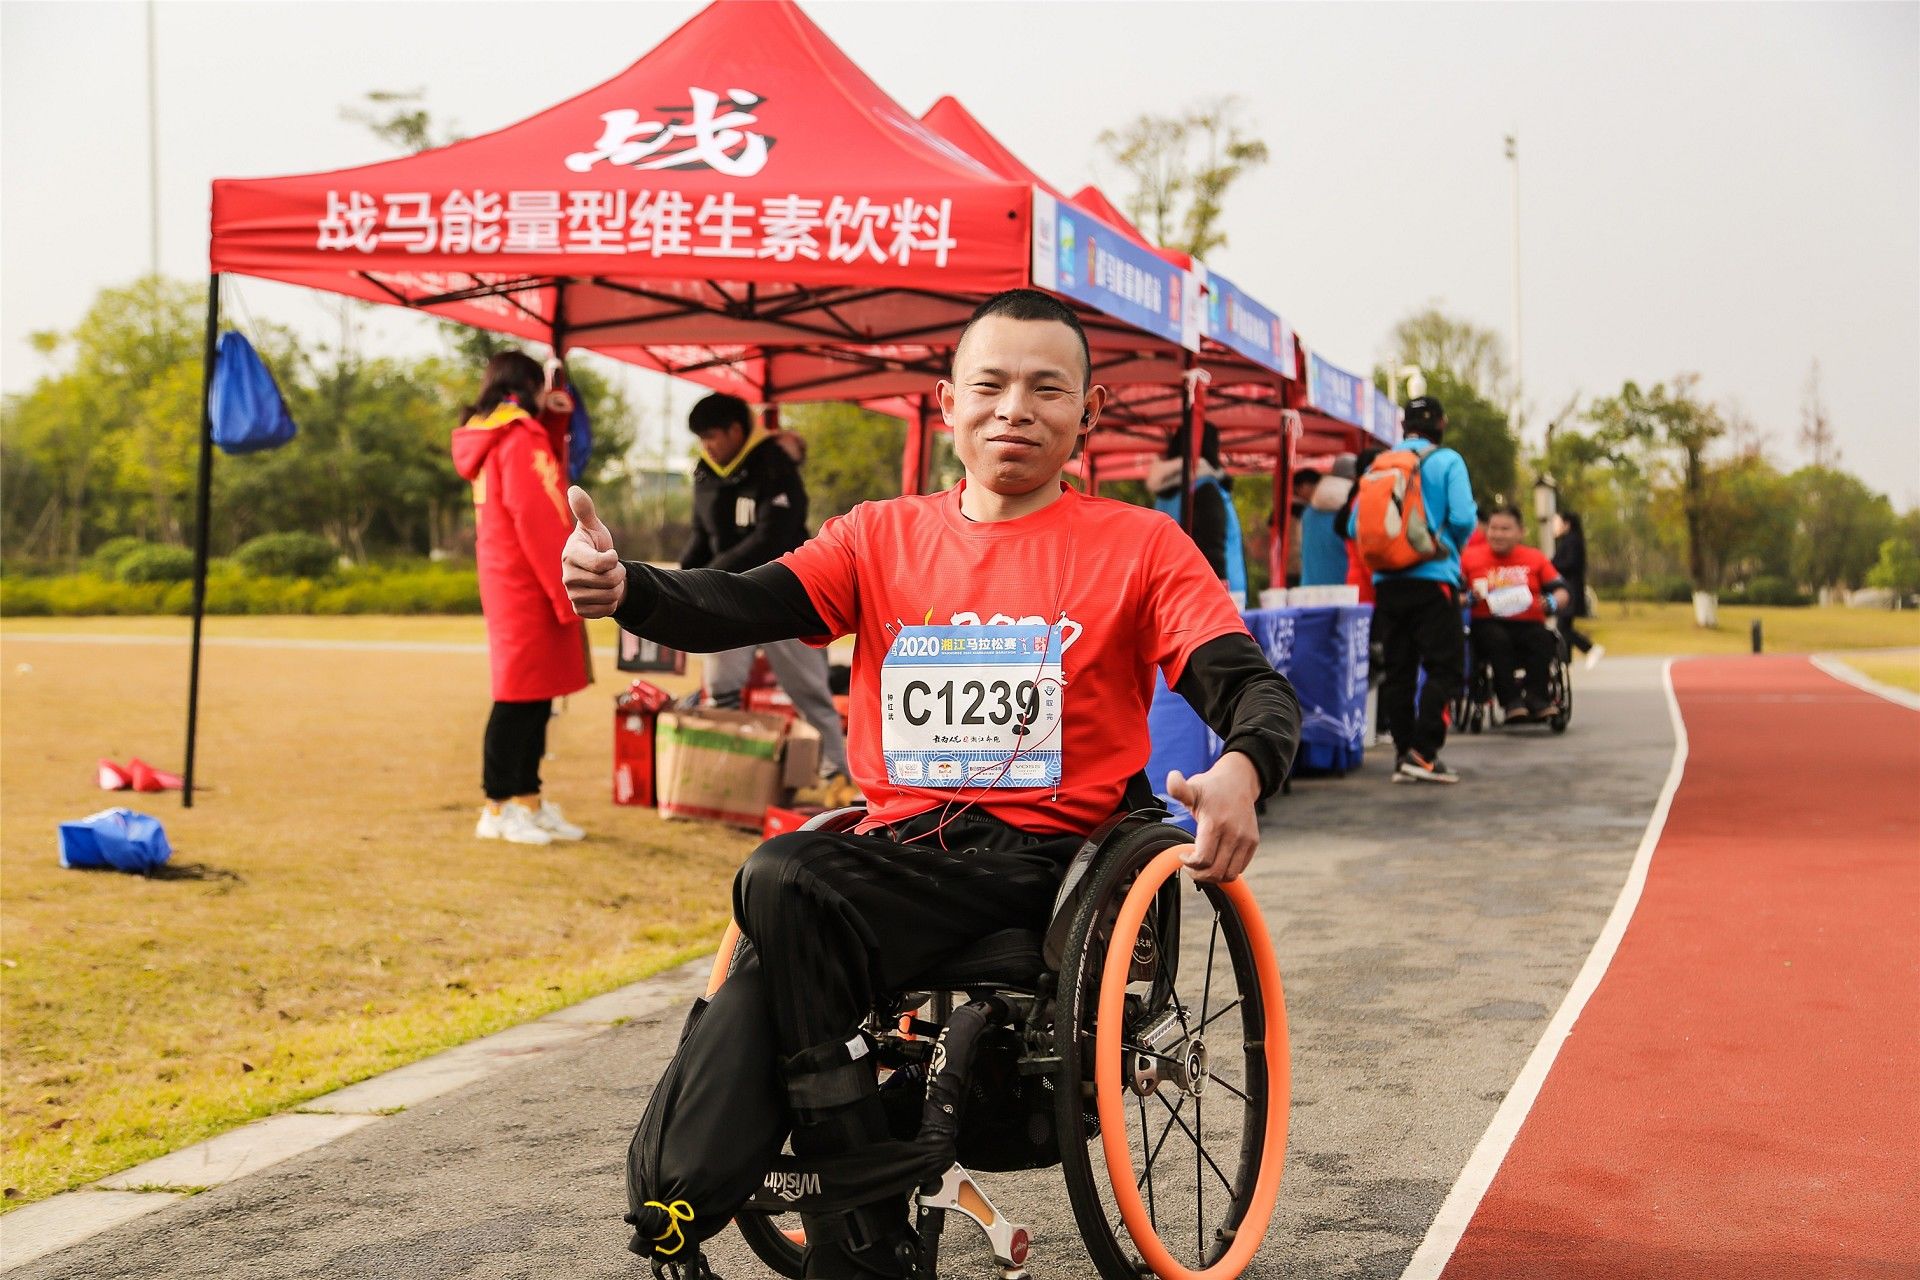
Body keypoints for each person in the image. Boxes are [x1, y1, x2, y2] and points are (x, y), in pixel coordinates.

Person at [563, 288, 1301, 1279]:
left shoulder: (1139, 547)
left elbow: (1249, 686)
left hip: (1049, 865)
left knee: (784, 881)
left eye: (1047, 388)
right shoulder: (878, 536)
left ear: (1089, 412)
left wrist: (1240, 767)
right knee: (786, 897)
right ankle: (791, 1213)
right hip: (895, 855)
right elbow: (743, 599)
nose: (1013, 409)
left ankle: (747, 1210)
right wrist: (631, 590)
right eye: (988, 385)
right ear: (945, 403)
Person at [452, 350, 591, 845]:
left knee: (536, 692)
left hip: (513, 574)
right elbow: (537, 516)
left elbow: (545, 475)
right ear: (529, 386)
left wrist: (553, 418)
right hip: (526, 577)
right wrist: (564, 585)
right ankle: (497, 804)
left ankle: (526, 799)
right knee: (518, 694)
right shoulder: (515, 435)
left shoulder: (503, 432)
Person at [680, 392, 851, 789]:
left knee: (809, 690)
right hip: (728, 597)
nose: (707, 447)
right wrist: (684, 578)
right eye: (701, 439)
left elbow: (772, 536)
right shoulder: (705, 473)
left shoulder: (776, 466)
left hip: (784, 594)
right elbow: (701, 535)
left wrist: (712, 575)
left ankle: (834, 770)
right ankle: (723, 772)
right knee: (720, 687)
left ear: (736, 431)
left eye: (712, 437)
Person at [1349, 395, 1476, 784]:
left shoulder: (1378, 465)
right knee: (1446, 667)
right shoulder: (1446, 460)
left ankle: (1404, 752)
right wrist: (1442, 547)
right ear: (1441, 423)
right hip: (1433, 578)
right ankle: (1424, 753)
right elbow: (1463, 516)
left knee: (1399, 670)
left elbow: (1356, 527)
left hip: (1387, 583)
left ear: (1403, 426)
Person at [1462, 506, 1572, 721]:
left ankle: (1537, 698)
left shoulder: (1535, 558)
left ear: (1520, 532)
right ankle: (1511, 701)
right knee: (1497, 639)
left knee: (1543, 638)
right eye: (1493, 528)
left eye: (1505, 529)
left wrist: (1552, 601)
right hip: (1488, 623)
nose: (1498, 534)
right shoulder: (1469, 558)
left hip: (1528, 622)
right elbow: (1451, 594)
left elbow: (1562, 590)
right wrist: (1469, 598)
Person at [1146, 423, 1247, 606]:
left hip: (1173, 594)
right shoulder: (1206, 489)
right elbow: (1213, 551)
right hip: (1215, 599)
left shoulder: (1164, 495)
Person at [1552, 510, 1603, 669]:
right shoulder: (1569, 541)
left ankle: (1590, 648)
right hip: (1569, 588)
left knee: (1563, 628)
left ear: (1567, 524)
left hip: (1570, 590)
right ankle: (1565, 662)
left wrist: (1550, 566)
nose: (1555, 526)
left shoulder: (1572, 541)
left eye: (1557, 522)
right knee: (1564, 627)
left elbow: (1570, 564)